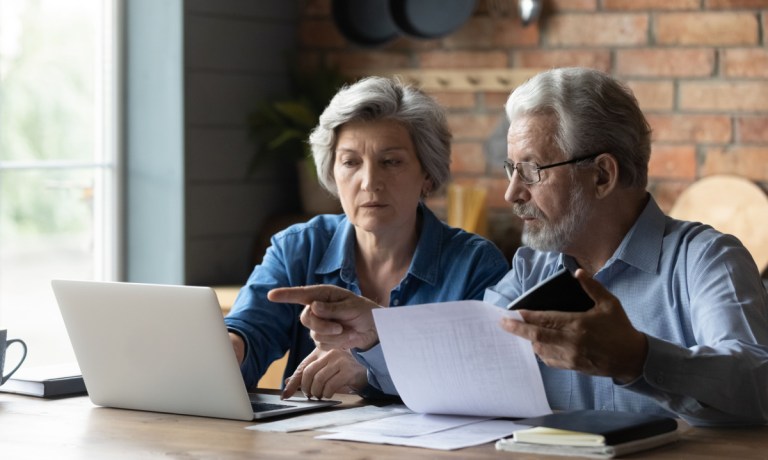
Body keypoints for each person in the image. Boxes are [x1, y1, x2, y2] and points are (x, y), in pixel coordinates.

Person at [289, 68, 768, 427]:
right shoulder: (530, 269)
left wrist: (637, 358)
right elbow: (462, 365)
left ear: (602, 175)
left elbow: (758, 385)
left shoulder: (705, 259)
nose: (511, 194)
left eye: (532, 171)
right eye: (510, 170)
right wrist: (377, 333)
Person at [223, 76, 509, 400]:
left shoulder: (475, 265)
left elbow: (488, 379)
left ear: (427, 174)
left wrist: (372, 369)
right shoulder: (298, 248)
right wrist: (230, 351)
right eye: (351, 162)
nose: (370, 181)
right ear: (333, 173)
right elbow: (249, 331)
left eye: (391, 162)